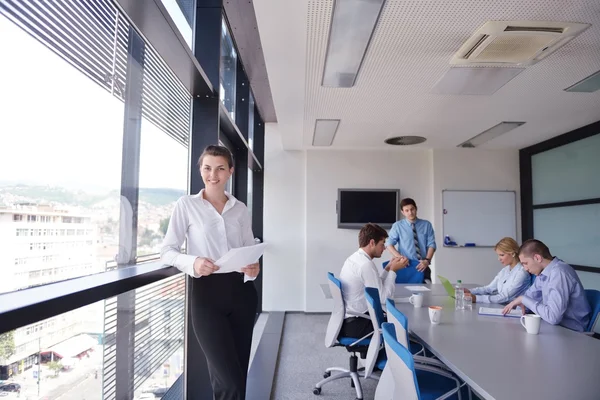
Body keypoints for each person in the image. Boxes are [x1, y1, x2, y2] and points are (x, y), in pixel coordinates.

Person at [160, 145, 260, 400]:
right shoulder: (187, 205)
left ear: (230, 172)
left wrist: (253, 267)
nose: (212, 174)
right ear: (200, 170)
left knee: (236, 375)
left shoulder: (240, 208)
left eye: (219, 168)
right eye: (207, 168)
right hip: (207, 296)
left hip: (242, 293)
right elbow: (167, 251)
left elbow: (249, 248)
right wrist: (193, 262)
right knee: (228, 378)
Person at [502, 239, 591, 332]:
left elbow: (553, 317)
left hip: (571, 332)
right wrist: (522, 303)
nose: (525, 268)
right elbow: (529, 297)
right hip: (553, 327)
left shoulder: (559, 273)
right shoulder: (543, 273)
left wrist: (523, 299)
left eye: (525, 263)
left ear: (537, 258)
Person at [339, 223, 409, 339]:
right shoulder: (366, 264)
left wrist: (387, 269)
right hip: (357, 324)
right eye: (382, 244)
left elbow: (374, 287)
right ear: (372, 243)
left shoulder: (355, 258)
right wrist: (394, 271)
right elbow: (384, 298)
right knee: (402, 326)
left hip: (349, 322)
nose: (385, 248)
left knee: (395, 320)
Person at [463, 237, 530, 304]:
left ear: (512, 254)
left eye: (502, 255)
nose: (499, 259)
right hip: (502, 307)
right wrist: (469, 291)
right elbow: (489, 289)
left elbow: (505, 297)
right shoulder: (505, 270)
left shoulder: (522, 272)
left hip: (515, 310)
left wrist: (476, 298)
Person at [385, 198, 436, 283]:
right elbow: (389, 244)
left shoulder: (427, 225)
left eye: (412, 209)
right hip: (405, 266)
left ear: (416, 208)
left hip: (422, 265)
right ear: (402, 212)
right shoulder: (397, 226)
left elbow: (432, 244)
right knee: (403, 293)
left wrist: (427, 260)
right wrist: (399, 257)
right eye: (407, 210)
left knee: (426, 292)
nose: (410, 212)